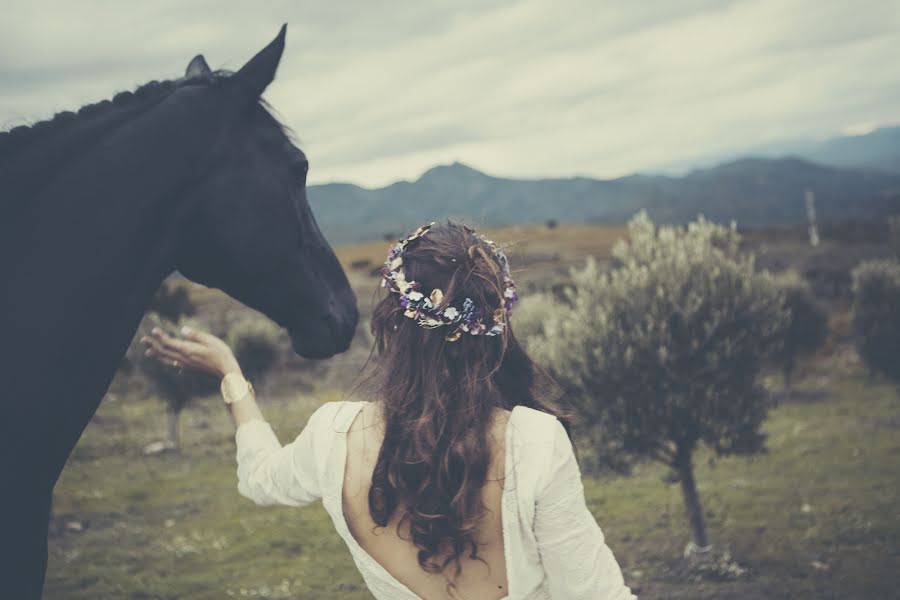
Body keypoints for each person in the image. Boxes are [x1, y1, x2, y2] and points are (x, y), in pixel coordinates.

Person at [141, 220, 637, 600]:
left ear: (390, 324)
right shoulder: (533, 442)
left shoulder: (333, 434)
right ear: (497, 324)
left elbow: (260, 478)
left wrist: (231, 374)